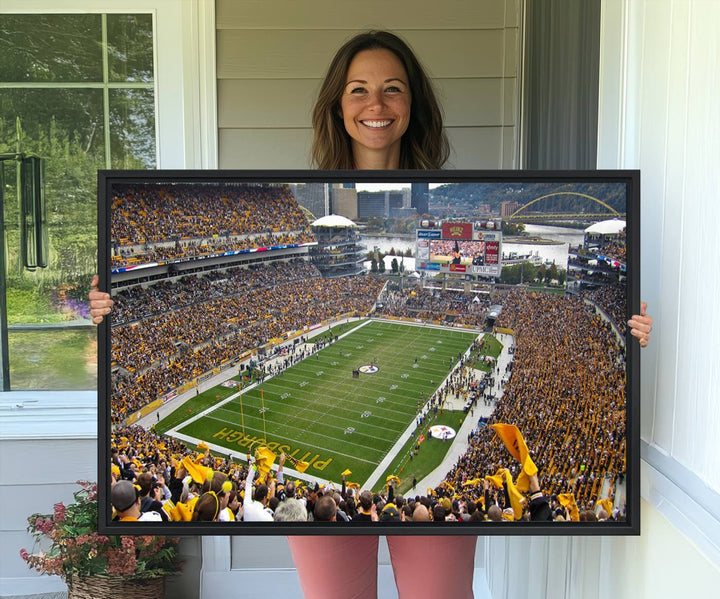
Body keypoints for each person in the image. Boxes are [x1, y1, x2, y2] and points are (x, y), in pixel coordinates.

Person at [90, 29, 653, 599]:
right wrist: (106, 310)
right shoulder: (299, 190)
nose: (375, 105)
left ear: (414, 105)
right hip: (329, 513)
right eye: (358, 89)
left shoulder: (455, 188)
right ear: (338, 104)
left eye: (393, 89)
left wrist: (632, 327)